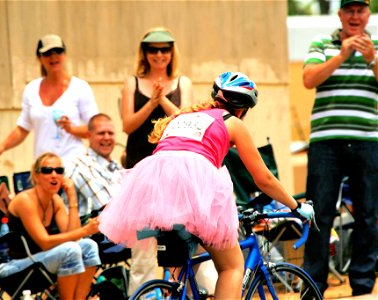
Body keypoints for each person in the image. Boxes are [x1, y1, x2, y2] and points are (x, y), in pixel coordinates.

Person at [99, 71, 314, 299]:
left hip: (156, 189)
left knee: (187, 270)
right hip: (192, 187)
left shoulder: (182, 117)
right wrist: (295, 206)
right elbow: (264, 179)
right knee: (231, 267)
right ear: (243, 109)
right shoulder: (232, 123)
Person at [302, 0, 378, 297]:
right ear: (340, 15)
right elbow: (309, 79)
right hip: (325, 142)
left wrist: (371, 59)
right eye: (350, 11)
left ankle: (362, 286)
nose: (355, 17)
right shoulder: (321, 43)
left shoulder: (376, 46)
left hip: (368, 140)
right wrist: (343, 54)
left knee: (368, 214)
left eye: (361, 11)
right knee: (319, 213)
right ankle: (313, 285)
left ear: (368, 15)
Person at [121, 26, 193, 293]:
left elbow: (186, 120)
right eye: (153, 49)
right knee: (143, 253)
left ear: (172, 52)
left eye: (164, 49)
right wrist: (151, 103)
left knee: (176, 250)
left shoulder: (182, 82)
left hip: (174, 175)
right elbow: (128, 125)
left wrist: (161, 99)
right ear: (145, 53)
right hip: (141, 175)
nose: (159, 54)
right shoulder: (132, 82)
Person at [0, 152, 101, 299]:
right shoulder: (25, 200)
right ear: (36, 176)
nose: (54, 175)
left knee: (89, 246)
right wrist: (85, 230)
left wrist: (72, 199)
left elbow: (75, 238)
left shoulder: (55, 200)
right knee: (70, 250)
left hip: (40, 261)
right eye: (47, 170)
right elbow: (44, 242)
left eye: (59, 171)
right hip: (13, 267)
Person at [0, 34, 99, 165]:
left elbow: (95, 128)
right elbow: (23, 128)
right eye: (47, 53)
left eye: (58, 51)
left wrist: (71, 129)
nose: (53, 57)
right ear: (39, 58)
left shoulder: (80, 87)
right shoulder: (31, 89)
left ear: (65, 55)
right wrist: (2, 146)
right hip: (43, 168)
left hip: (74, 164)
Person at [65, 113, 122, 218]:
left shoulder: (116, 166)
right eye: (101, 133)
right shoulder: (81, 165)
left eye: (110, 133)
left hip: (118, 227)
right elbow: (108, 207)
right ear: (88, 136)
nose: (106, 137)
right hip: (91, 232)